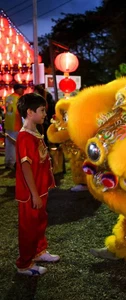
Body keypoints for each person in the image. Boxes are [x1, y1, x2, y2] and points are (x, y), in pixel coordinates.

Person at [15, 93, 60, 276]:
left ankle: (39, 251)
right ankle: (24, 264)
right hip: (30, 193)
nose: (45, 115)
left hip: (40, 189)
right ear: (29, 112)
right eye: (42, 111)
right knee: (29, 227)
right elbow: (26, 168)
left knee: (40, 221)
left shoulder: (35, 132)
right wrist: (33, 194)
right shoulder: (25, 137)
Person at [4, 83, 26, 170]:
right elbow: (20, 112)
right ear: (17, 89)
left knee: (9, 144)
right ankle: (13, 163)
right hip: (16, 124)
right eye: (22, 88)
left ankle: (8, 162)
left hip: (8, 123)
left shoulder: (8, 97)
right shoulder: (19, 99)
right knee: (15, 144)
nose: (23, 90)